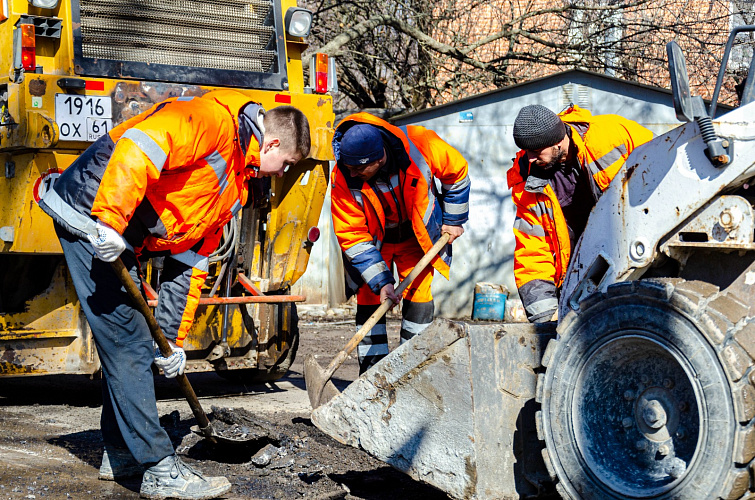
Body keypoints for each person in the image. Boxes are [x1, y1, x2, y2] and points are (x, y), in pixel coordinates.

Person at [38, 90, 310, 500]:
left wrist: (172, 342)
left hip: (121, 232)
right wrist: (109, 221)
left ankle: (124, 452)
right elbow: (137, 147)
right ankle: (158, 467)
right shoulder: (210, 121)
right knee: (127, 343)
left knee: (137, 347)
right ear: (271, 143)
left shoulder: (234, 185)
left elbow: (192, 264)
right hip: (90, 215)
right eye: (286, 164)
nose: (279, 173)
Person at [331, 114, 470, 374]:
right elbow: (352, 235)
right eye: (348, 167)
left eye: (358, 169)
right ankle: (372, 376)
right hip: (375, 243)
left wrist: (454, 219)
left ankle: (412, 372)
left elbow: (457, 173)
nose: (352, 173)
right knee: (371, 295)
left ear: (379, 158)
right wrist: (382, 282)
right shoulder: (343, 176)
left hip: (414, 239)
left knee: (419, 295)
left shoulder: (421, 144)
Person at [507, 104, 653, 323]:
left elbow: (663, 161)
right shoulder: (528, 183)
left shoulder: (612, 135)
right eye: (526, 151)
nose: (529, 158)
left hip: (642, 256)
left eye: (536, 152)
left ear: (558, 141)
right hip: (582, 278)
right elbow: (532, 252)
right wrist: (546, 317)